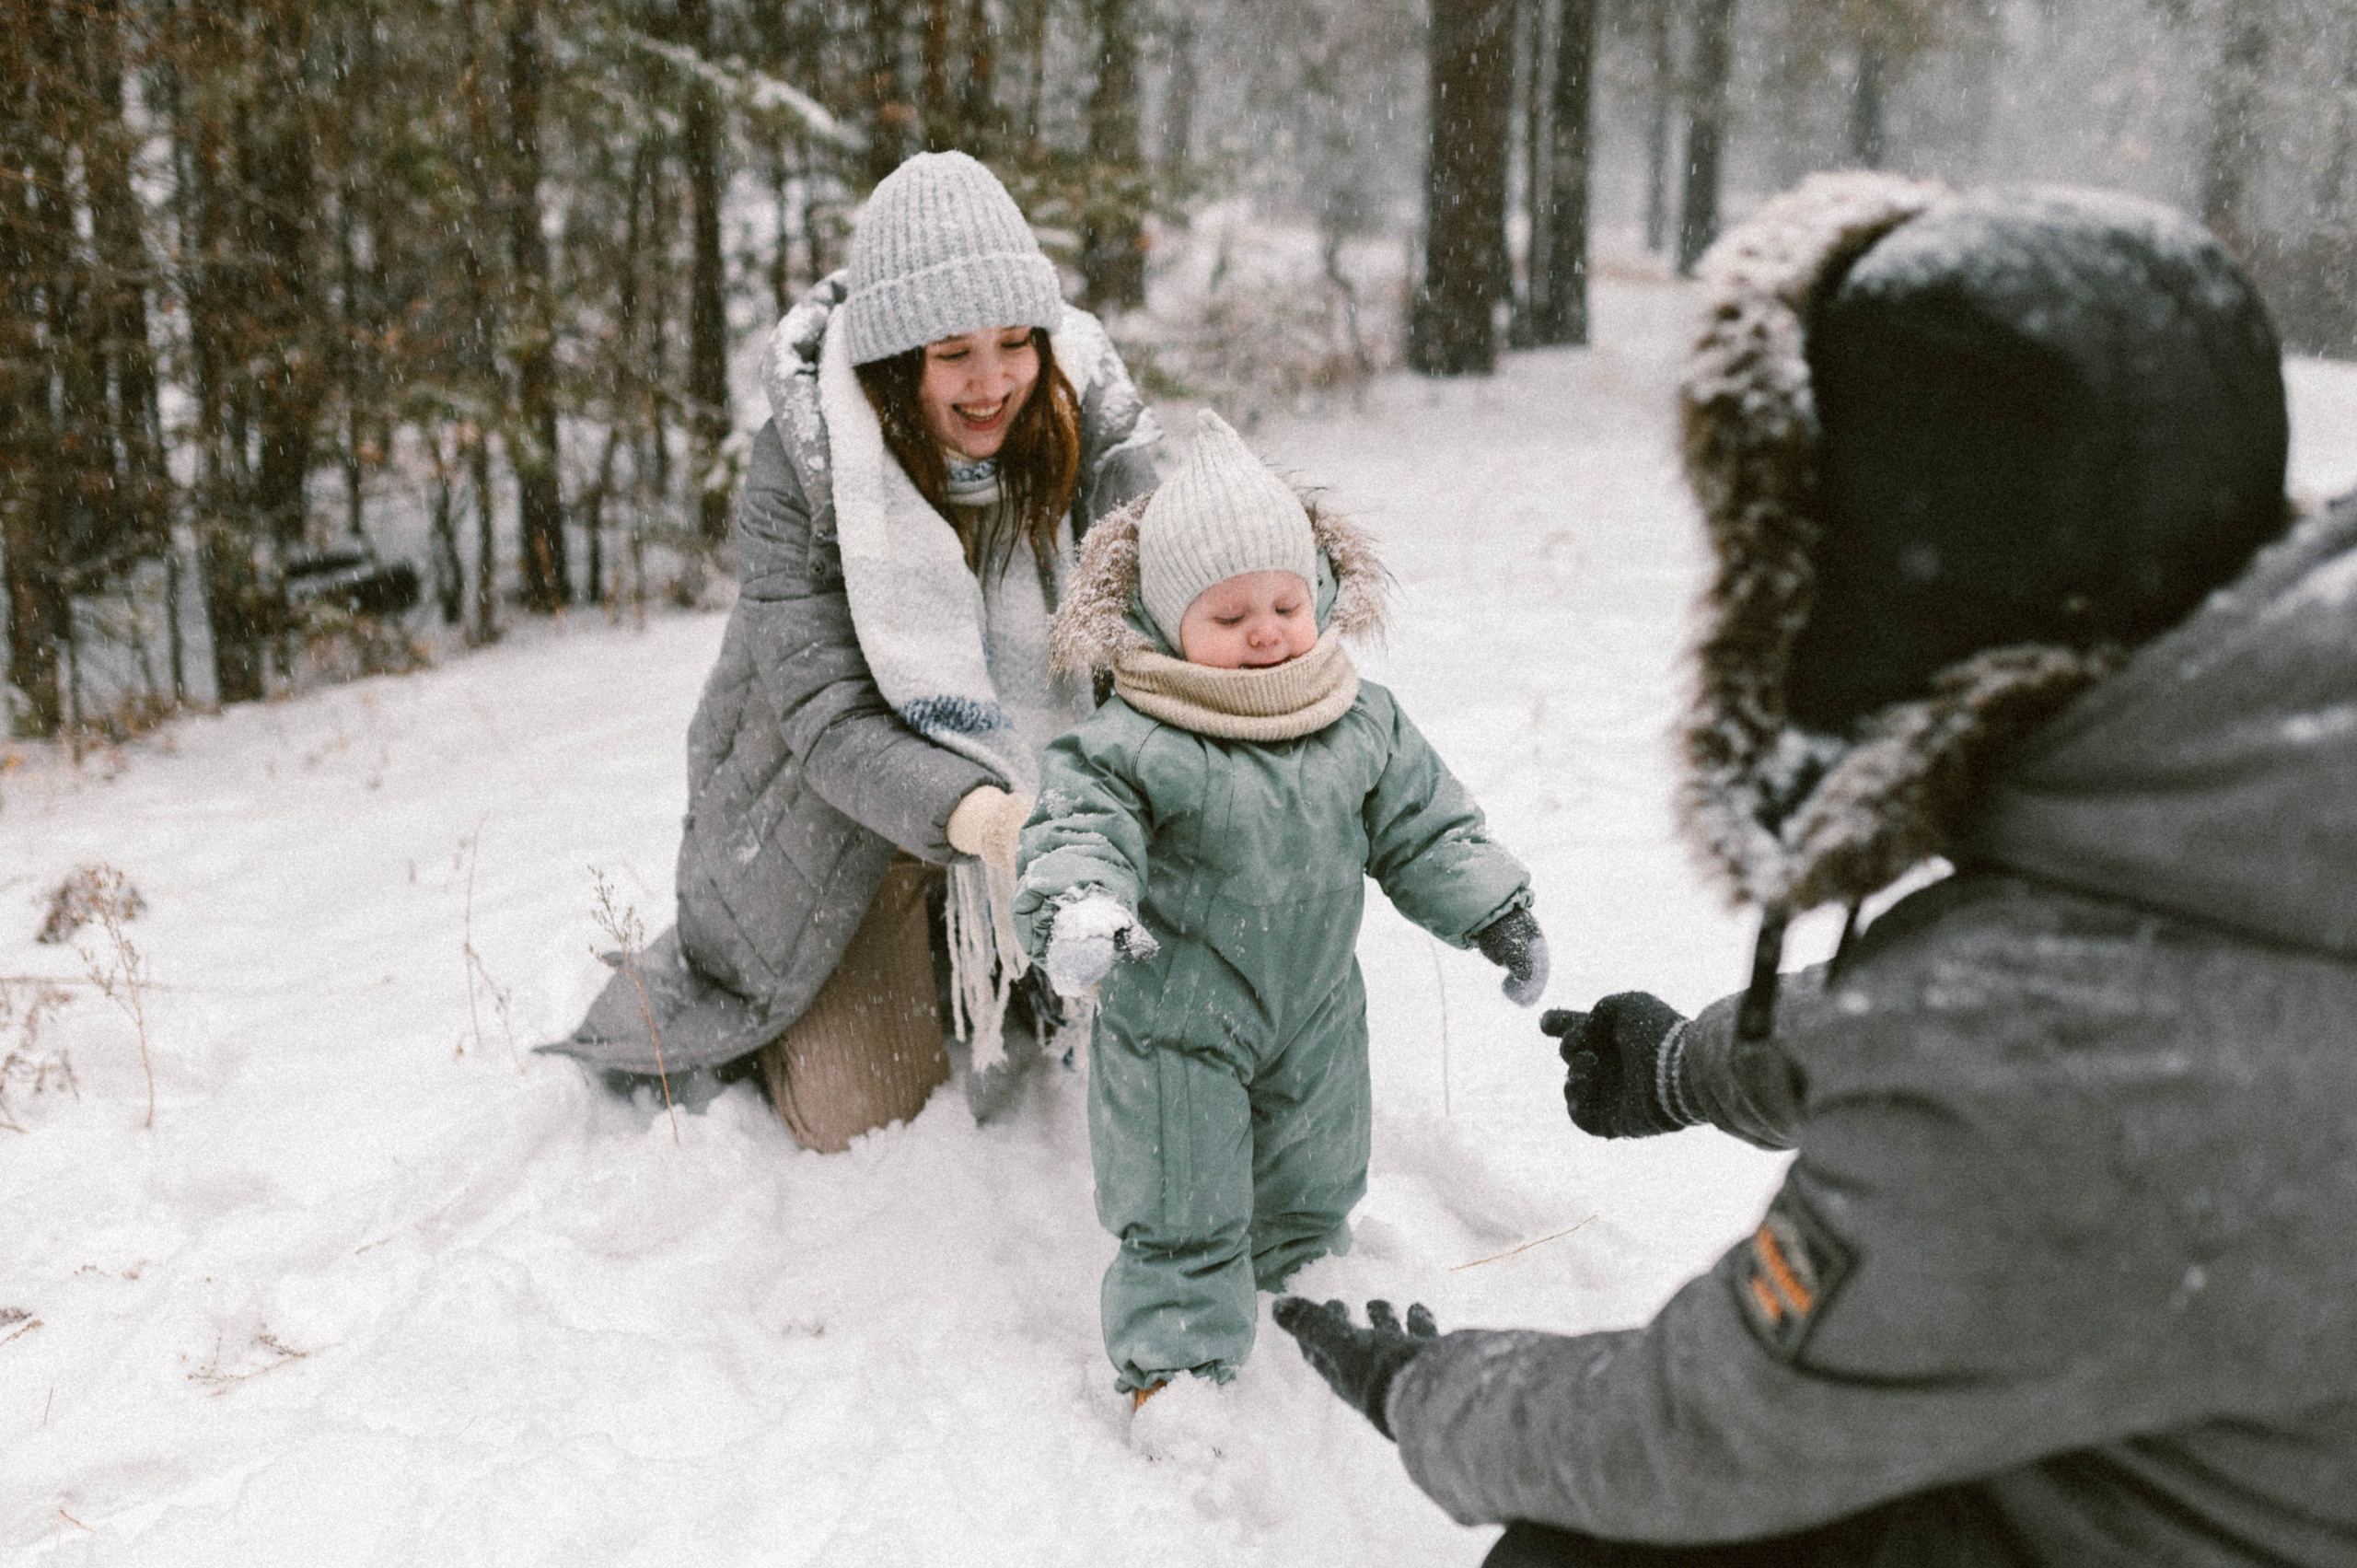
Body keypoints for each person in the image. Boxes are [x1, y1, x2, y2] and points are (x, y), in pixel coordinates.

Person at [1275, 174, 2357, 1565]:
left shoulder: (2052, 1062)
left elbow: (1689, 1438)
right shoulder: (2258, 753)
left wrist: (1426, 1387)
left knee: (1598, 1551)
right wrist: (1688, 1067)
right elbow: (2041, 1000)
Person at [545, 151, 1160, 1151]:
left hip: (1043, 803)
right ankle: (837, 990)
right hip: (835, 820)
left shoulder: (1088, 424)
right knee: (860, 1118)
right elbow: (828, 717)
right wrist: (989, 819)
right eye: (952, 351)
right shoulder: (808, 462)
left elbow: (1164, 617)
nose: (993, 380)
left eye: (1014, 343)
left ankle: (987, 952)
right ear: (893, 360)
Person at [1016, 411, 1550, 1409]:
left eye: (1284, 602)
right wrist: (1083, 908)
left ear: (1321, 593)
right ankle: (1175, 1367)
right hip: (1179, 1017)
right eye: (1227, 616)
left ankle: (1305, 1279)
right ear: (1166, 624)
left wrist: (1493, 911)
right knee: (1180, 1192)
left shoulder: (1360, 719)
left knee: (1316, 1168)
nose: (1265, 630)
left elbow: (1427, 827)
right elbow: (1079, 828)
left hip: (1314, 1008)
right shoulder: (1135, 739)